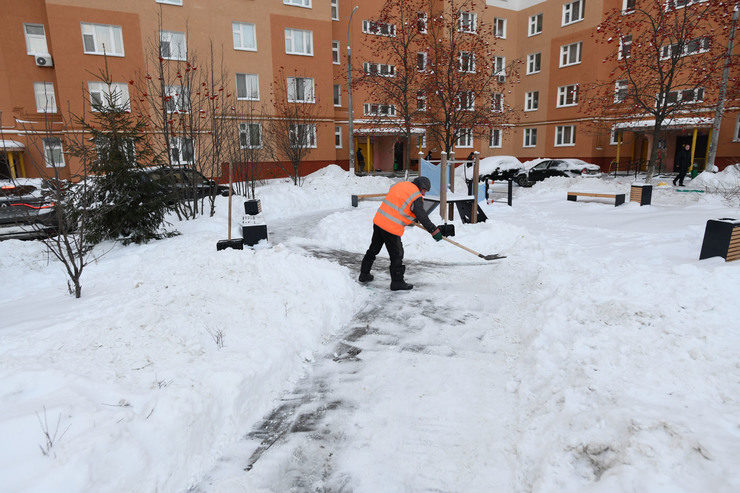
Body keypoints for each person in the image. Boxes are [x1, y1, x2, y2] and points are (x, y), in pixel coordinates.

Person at [359, 176, 443, 290]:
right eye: (424, 191)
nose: (424, 194)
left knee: (373, 249)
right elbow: (421, 214)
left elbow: (399, 205)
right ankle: (397, 282)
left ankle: (364, 274)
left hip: (379, 221)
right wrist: (433, 230)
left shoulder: (401, 185)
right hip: (391, 228)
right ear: (421, 187)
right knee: (397, 255)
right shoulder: (416, 195)